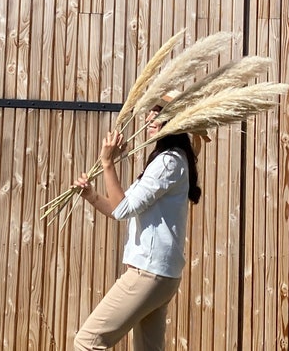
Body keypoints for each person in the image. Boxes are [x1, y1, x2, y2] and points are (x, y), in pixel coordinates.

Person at [72, 104, 202, 351]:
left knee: (86, 342)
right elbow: (118, 208)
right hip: (160, 276)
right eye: (150, 115)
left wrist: (108, 163)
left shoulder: (168, 162)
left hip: (147, 273)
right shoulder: (169, 160)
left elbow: (122, 209)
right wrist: (90, 195)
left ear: (175, 121)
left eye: (158, 115)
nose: (150, 120)